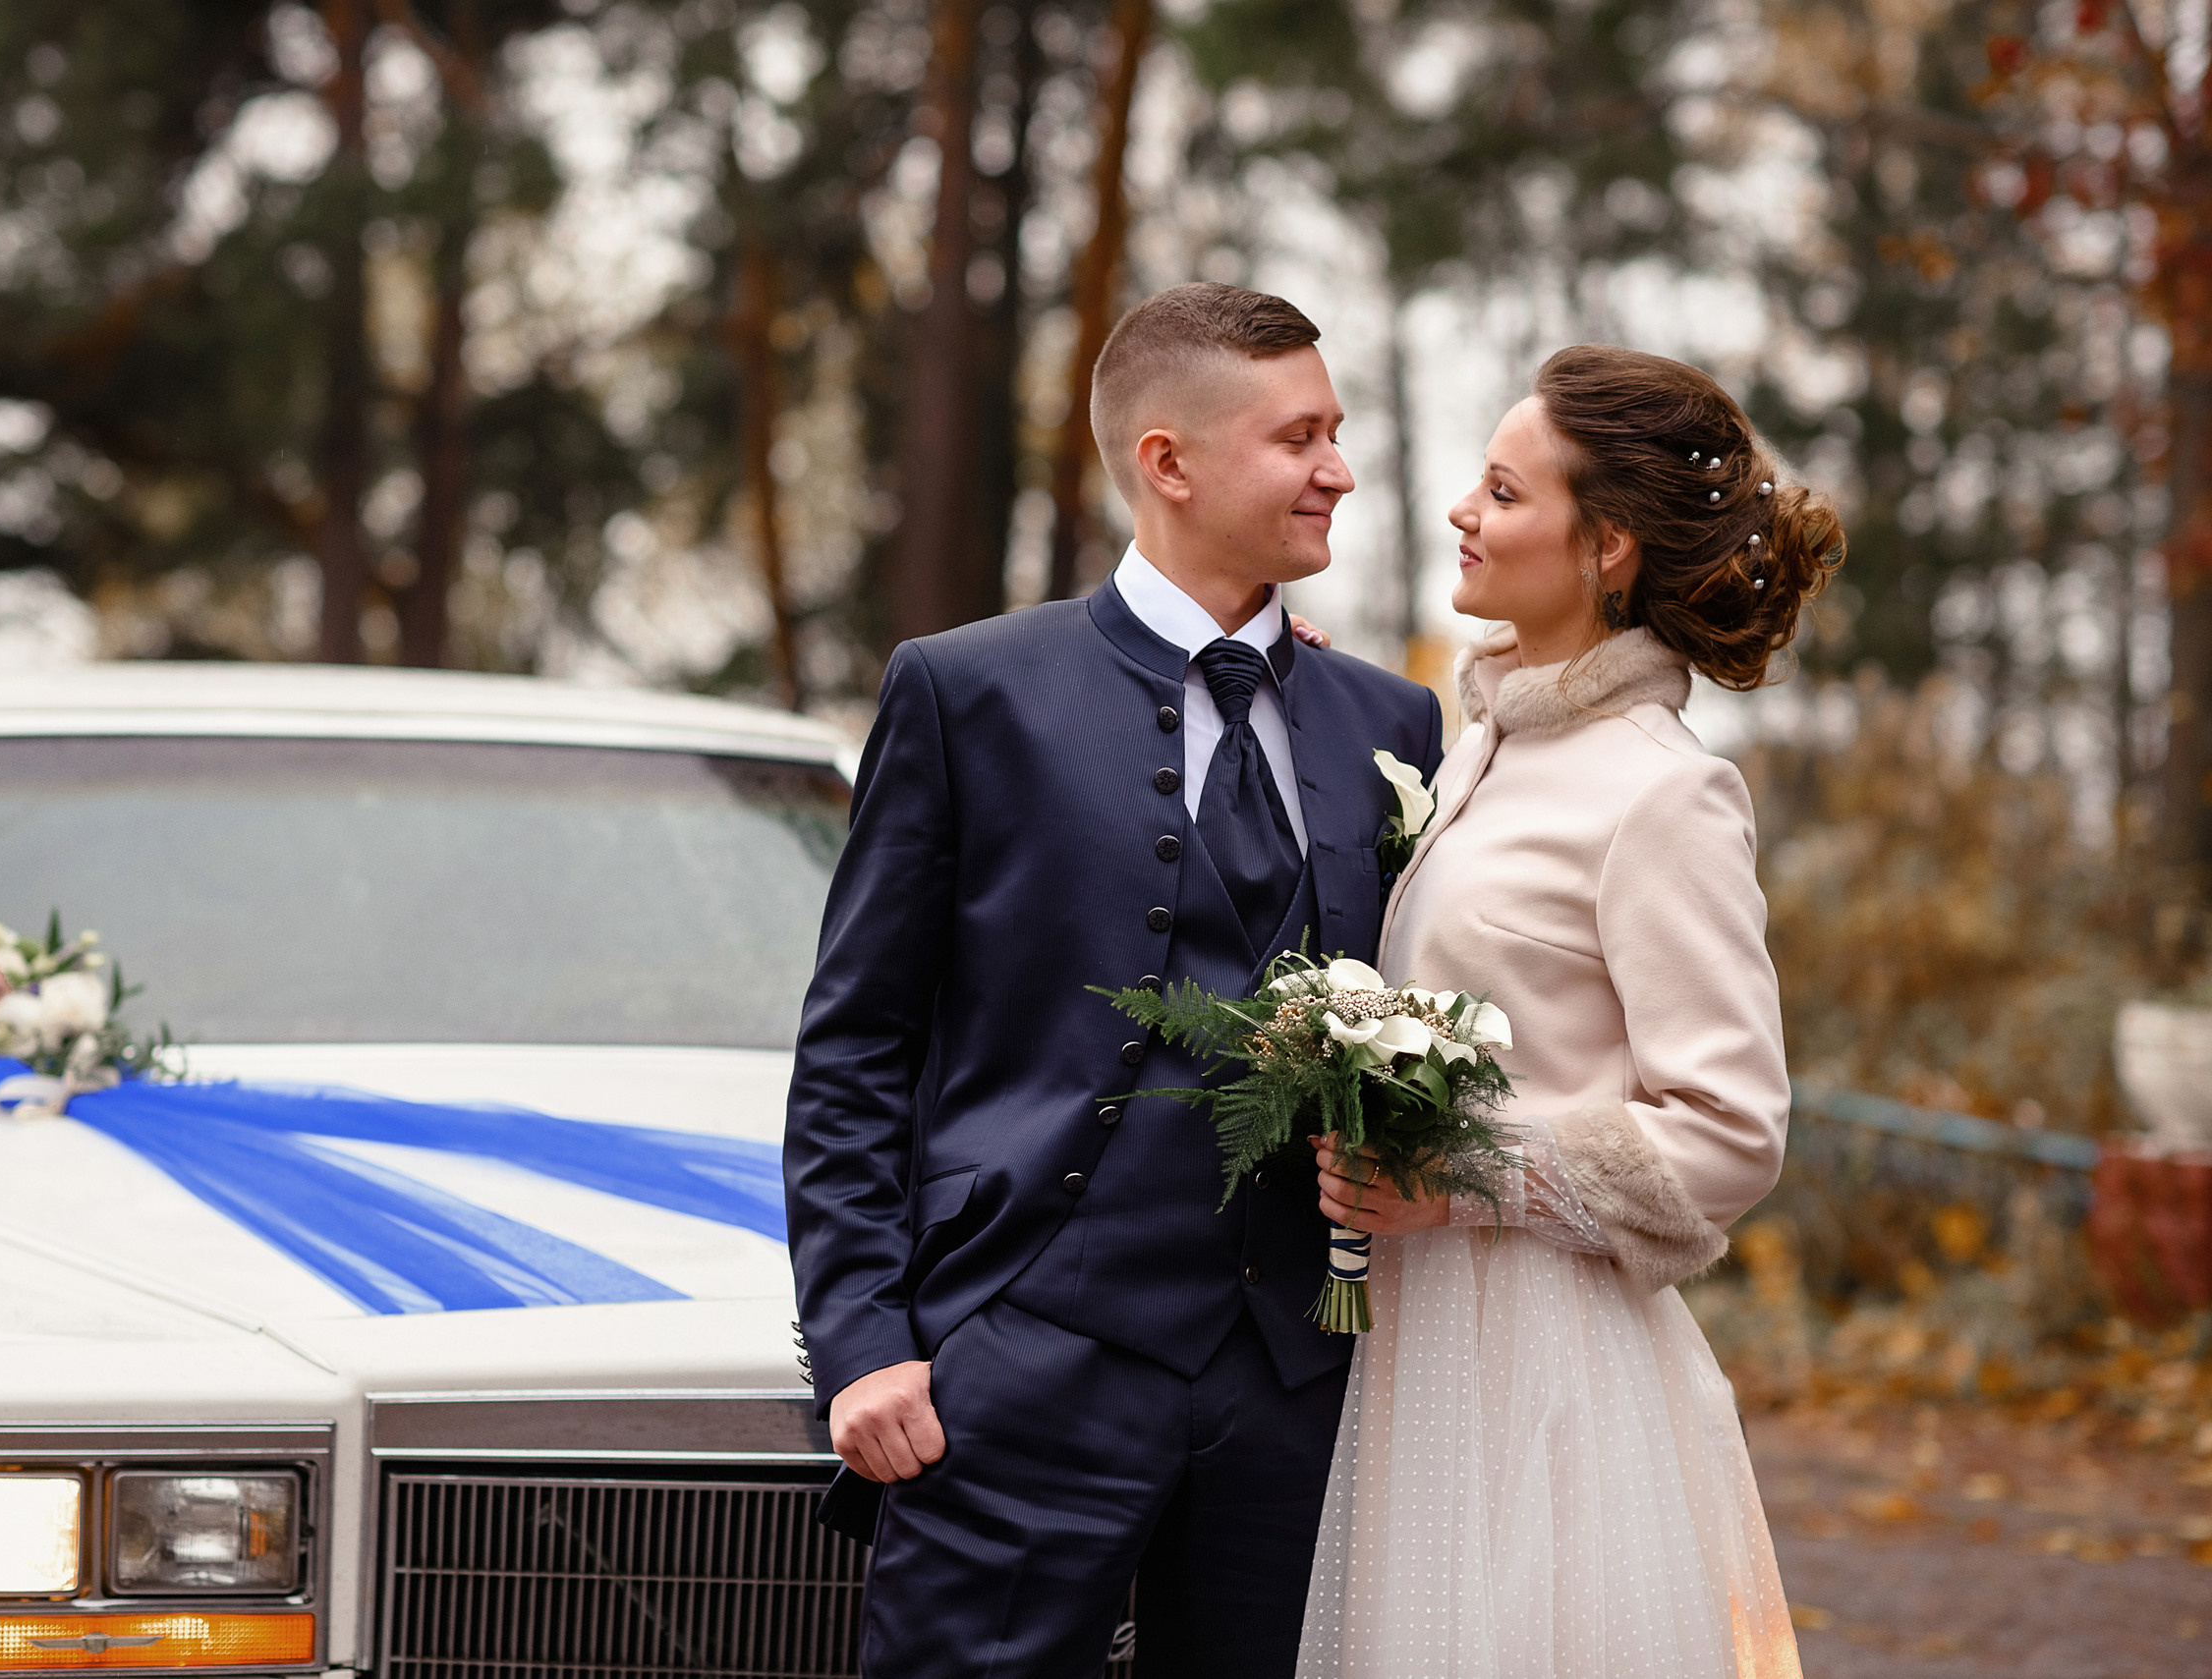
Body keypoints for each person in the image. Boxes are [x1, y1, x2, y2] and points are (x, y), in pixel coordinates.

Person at [784, 282, 1445, 1678]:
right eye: (1299, 437)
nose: (1338, 468)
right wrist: (860, 1341)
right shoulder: (966, 692)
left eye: (1337, 431)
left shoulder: (1392, 721)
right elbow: (857, 1045)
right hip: (1016, 1365)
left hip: (1298, 1391)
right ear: (1168, 461)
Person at [1300, 345, 1838, 1678]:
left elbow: (1732, 1131)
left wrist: (1461, 1175)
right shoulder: (1483, 741)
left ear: (1604, 547)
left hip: (1546, 1374)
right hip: (1417, 1351)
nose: (1461, 513)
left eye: (1501, 490)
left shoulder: (1664, 791)